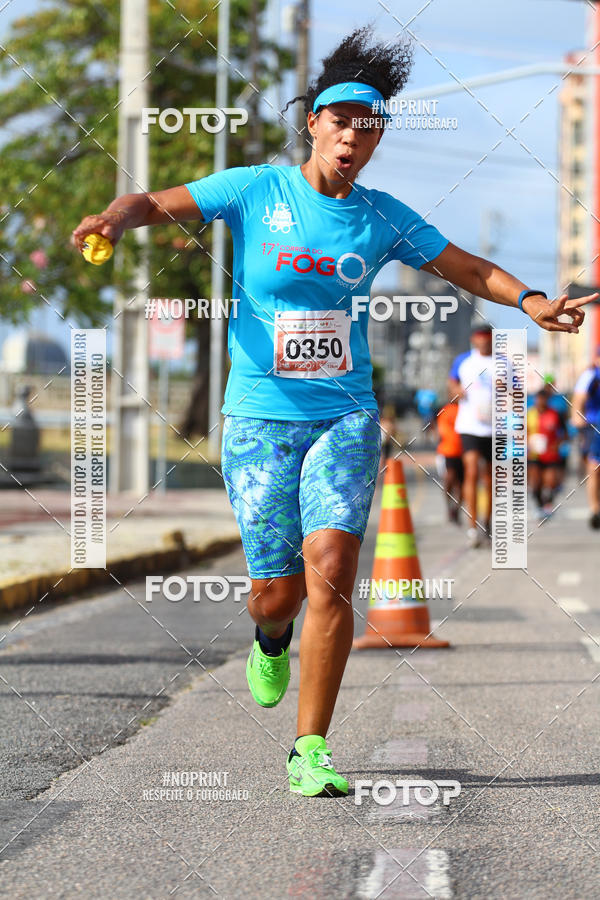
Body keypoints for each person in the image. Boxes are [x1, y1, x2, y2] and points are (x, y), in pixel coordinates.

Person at [71, 26, 595, 798]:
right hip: (257, 418)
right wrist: (115, 220)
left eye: (370, 124)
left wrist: (532, 300)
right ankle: (270, 636)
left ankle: (309, 747)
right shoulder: (254, 188)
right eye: (341, 120)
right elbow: (152, 200)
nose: (354, 135)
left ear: (378, 136)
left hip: (346, 415)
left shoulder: (381, 216)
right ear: (312, 122)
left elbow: (467, 265)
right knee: (275, 593)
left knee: (335, 572)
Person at [448, 325, 495, 548]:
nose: (484, 344)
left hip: (496, 428)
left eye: (487, 340)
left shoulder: (503, 362)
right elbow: (451, 383)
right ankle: (472, 526)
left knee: (490, 478)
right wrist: (457, 390)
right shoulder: (463, 361)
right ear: (474, 341)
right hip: (470, 426)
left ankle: (488, 522)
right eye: (480, 340)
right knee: (472, 471)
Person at [571, 348, 600, 529]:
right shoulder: (591, 376)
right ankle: (595, 509)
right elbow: (578, 399)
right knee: (594, 467)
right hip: (595, 425)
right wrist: (577, 417)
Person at [527, 387, 564, 519]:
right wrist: (527, 443)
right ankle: (539, 506)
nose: (541, 401)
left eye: (544, 399)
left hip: (551, 455)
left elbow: (564, 434)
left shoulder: (555, 414)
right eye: (539, 399)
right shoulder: (529, 414)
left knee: (551, 482)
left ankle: (547, 504)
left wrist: (557, 444)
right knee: (535, 482)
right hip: (534, 455)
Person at [434, 397, 463, 523]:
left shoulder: (465, 409)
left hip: (464, 451)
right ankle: (449, 507)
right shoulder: (446, 410)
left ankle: (456, 508)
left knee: (461, 484)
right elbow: (441, 431)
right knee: (449, 479)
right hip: (449, 451)